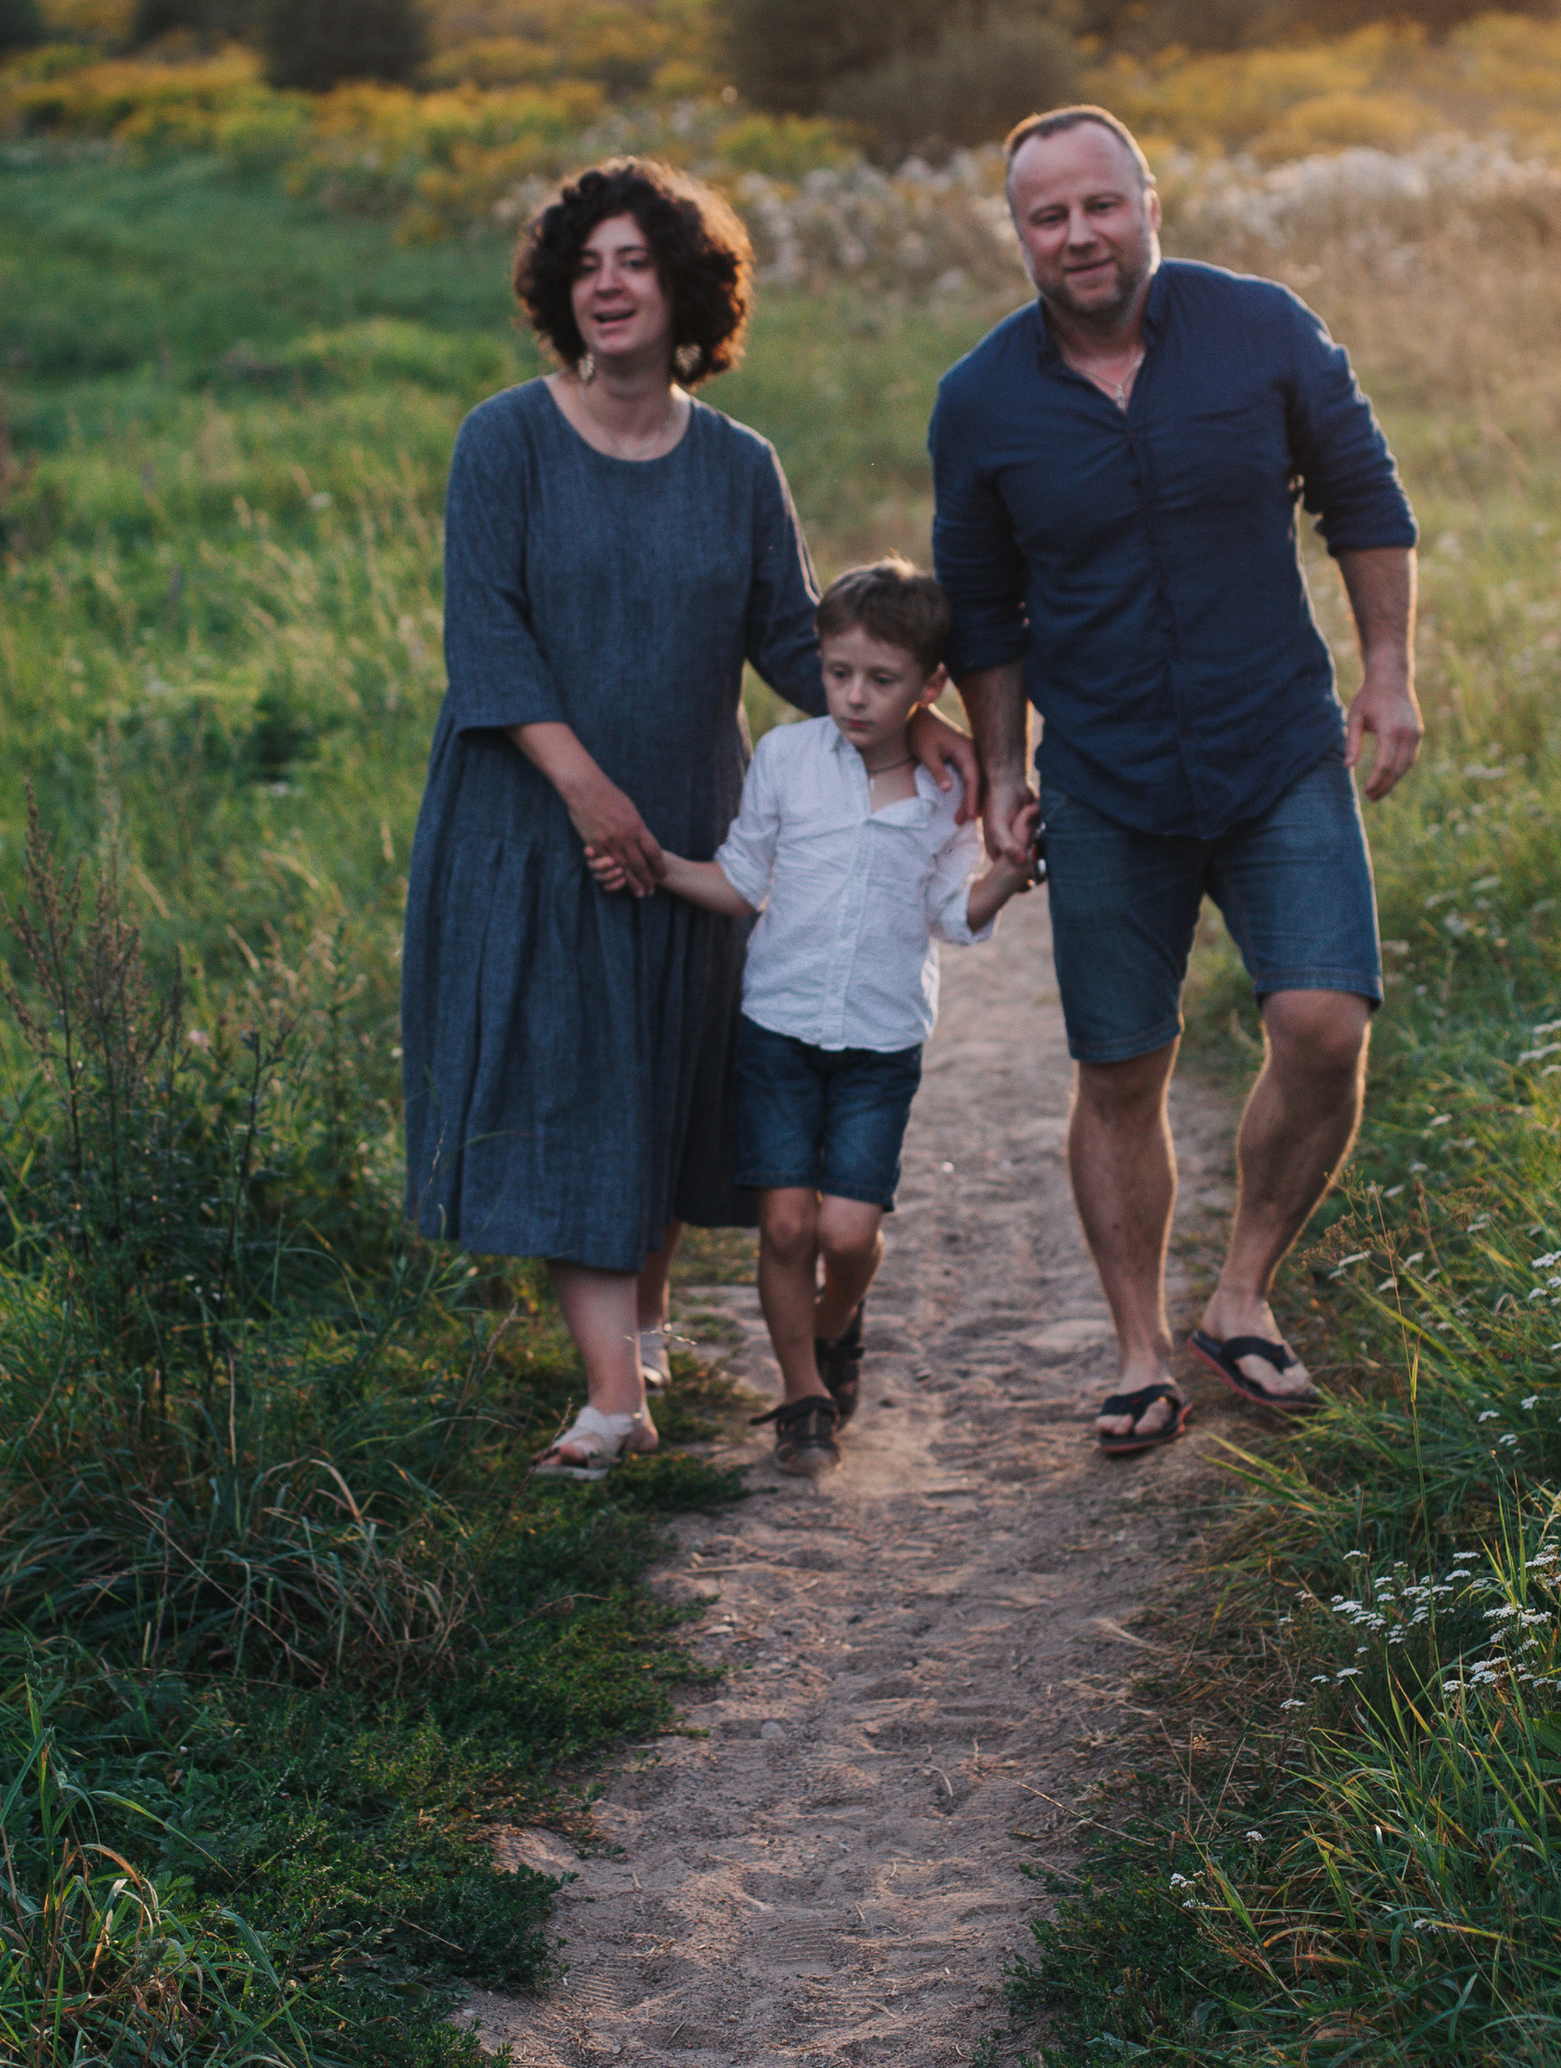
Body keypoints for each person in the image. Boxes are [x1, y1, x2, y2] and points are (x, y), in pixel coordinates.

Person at [401, 159, 976, 1481]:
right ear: (563, 288)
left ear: (685, 291)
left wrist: (919, 716)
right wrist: (587, 792)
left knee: (661, 1081)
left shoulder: (737, 465)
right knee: (571, 1084)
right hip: (532, 821)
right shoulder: (504, 441)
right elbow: (485, 644)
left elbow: (798, 645)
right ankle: (614, 1400)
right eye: (587, 263)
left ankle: (647, 1322)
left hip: (696, 830)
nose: (608, 284)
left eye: (636, 263)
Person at [928, 105, 1421, 1452]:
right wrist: (1008, 774)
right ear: (1021, 233)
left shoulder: (1263, 330)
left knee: (1324, 1025)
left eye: (1102, 204)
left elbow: (1364, 500)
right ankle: (1141, 1349)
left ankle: (1243, 1295)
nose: (1079, 234)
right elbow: (981, 611)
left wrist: (1386, 672)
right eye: (1048, 216)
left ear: (1149, 203)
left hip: (1276, 751)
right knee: (1121, 1068)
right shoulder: (980, 401)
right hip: (1108, 780)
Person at [590, 561, 1038, 1477]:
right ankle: (802, 1396)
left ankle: (838, 1327)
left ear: (930, 686)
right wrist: (654, 865)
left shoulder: (944, 791)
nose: (854, 698)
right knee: (787, 1226)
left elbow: (952, 915)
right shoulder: (790, 759)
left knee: (846, 1235)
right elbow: (744, 878)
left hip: (880, 1044)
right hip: (779, 1032)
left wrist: (1006, 876)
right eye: (838, 673)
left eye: (881, 680)